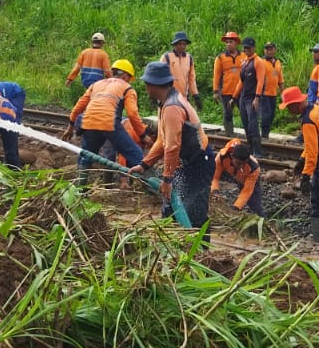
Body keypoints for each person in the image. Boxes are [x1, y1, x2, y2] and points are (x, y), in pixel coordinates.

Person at [128, 61, 213, 238]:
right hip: (185, 163)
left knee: (193, 210)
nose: (145, 88)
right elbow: (162, 140)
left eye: (146, 84)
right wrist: (145, 164)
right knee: (171, 207)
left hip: (198, 162)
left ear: (154, 85)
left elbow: (172, 147)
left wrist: (167, 178)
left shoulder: (172, 107)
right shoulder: (165, 103)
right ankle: (174, 247)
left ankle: (203, 252)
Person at [281, 86, 319, 242]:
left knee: (316, 199)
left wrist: (305, 176)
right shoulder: (315, 109)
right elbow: (313, 144)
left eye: (289, 107)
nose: (289, 110)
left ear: (296, 104)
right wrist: (302, 160)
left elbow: (313, 151)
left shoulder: (307, 121)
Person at [68, 60, 147, 184]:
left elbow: (79, 106)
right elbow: (132, 114)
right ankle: (155, 187)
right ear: (126, 76)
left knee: (86, 155)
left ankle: (80, 187)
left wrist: (71, 125)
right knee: (135, 153)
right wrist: (143, 135)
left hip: (88, 122)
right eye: (129, 78)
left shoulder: (96, 84)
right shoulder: (127, 88)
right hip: (109, 123)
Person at [211, 138, 264, 215]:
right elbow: (214, 177)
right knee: (206, 177)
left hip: (245, 178)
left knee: (255, 204)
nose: (241, 166)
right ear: (232, 156)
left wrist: (236, 207)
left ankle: (262, 219)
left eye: (243, 163)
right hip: (229, 172)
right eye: (238, 163)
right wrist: (215, 191)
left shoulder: (254, 168)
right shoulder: (221, 158)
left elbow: (247, 191)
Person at [253, 41, 285, 155]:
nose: (268, 51)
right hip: (264, 93)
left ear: (274, 50)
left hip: (273, 93)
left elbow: (280, 79)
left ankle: (266, 133)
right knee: (266, 115)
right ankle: (264, 135)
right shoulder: (261, 62)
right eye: (266, 49)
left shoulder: (277, 63)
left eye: (270, 49)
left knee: (271, 115)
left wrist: (283, 93)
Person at [212, 31, 244, 134]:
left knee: (245, 112)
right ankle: (229, 134)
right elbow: (216, 75)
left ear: (236, 43)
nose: (228, 44)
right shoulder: (220, 58)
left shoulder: (243, 56)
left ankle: (249, 133)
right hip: (226, 91)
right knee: (228, 114)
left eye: (231, 42)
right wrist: (216, 91)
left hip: (241, 91)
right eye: (227, 42)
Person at [160, 32, 202, 110]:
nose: (182, 46)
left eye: (184, 44)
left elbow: (191, 79)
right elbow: (160, 77)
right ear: (175, 44)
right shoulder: (167, 57)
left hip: (184, 96)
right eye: (180, 44)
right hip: (169, 96)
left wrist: (196, 95)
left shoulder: (189, 58)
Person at [237, 37, 261, 151]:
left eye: (249, 47)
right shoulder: (244, 62)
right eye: (245, 47)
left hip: (252, 97)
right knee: (245, 123)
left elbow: (260, 81)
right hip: (243, 96)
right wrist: (234, 96)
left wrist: (257, 98)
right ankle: (250, 148)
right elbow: (241, 81)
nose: (246, 49)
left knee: (253, 124)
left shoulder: (258, 62)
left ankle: (257, 150)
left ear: (253, 48)